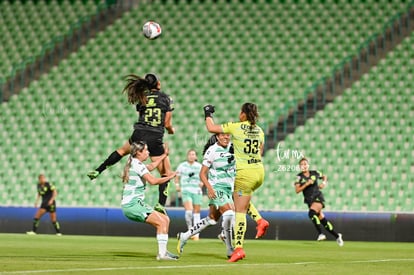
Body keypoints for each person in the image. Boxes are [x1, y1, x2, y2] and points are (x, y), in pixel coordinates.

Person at [87, 73, 175, 214]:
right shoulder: (166, 98)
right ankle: (160, 204)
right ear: (158, 83)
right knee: (166, 172)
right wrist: (171, 130)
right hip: (155, 136)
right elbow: (167, 123)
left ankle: (99, 170)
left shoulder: (143, 98)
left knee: (122, 151)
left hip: (139, 133)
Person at [203, 103, 269, 262]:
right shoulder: (259, 130)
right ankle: (260, 220)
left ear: (244, 114)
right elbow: (260, 151)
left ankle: (238, 248)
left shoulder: (236, 127)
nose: (239, 114)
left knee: (239, 211)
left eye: (240, 112)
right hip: (259, 171)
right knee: (237, 199)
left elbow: (211, 128)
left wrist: (208, 113)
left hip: (244, 173)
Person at [177, 134, 235, 258]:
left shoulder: (233, 147)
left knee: (212, 218)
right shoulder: (212, 150)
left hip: (228, 188)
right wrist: (209, 188)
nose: (226, 137)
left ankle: (185, 236)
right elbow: (202, 174)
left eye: (228, 135)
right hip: (216, 188)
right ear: (218, 137)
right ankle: (230, 250)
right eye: (223, 135)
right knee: (229, 214)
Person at [121, 141, 179, 260]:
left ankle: (163, 252)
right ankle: (162, 255)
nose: (148, 152)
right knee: (162, 222)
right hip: (132, 205)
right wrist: (169, 177)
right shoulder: (137, 165)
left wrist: (164, 155)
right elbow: (153, 181)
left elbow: (151, 167)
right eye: (146, 150)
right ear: (138, 152)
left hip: (134, 204)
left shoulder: (134, 162)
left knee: (165, 219)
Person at [294, 157, 344, 246]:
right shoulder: (299, 177)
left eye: (305, 164)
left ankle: (321, 234)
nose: (304, 166)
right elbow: (297, 190)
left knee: (311, 213)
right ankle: (337, 236)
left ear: (308, 165)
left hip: (318, 197)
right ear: (299, 167)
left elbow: (324, 176)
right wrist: (306, 184)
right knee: (323, 221)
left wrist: (324, 183)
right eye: (302, 164)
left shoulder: (315, 173)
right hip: (309, 201)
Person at [174, 149, 203, 240]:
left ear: (196, 156)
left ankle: (196, 234)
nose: (191, 156)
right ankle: (190, 230)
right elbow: (177, 177)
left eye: (193, 154)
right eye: (190, 154)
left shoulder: (199, 166)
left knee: (197, 212)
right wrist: (177, 185)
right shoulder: (182, 166)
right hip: (186, 190)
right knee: (189, 211)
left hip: (197, 190)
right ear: (187, 156)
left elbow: (204, 176)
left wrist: (202, 182)